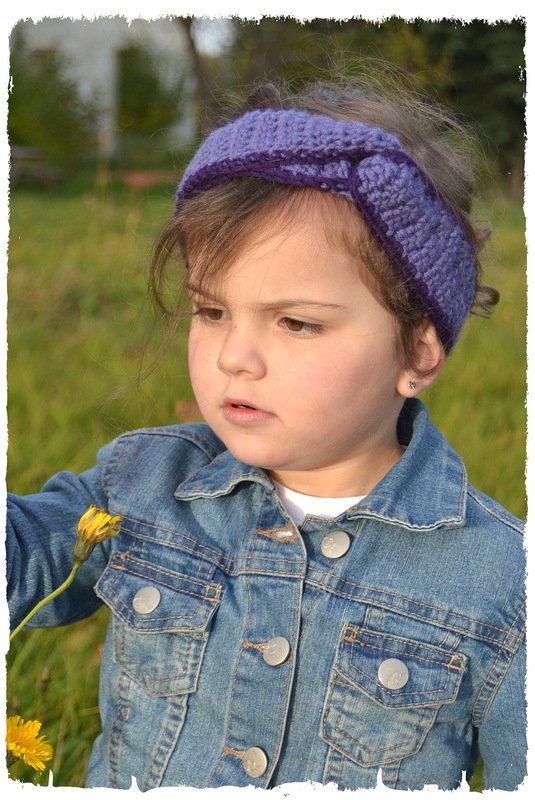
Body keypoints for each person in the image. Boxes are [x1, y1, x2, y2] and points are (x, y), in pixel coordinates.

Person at [7, 77, 526, 792]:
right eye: (212, 312)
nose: (234, 357)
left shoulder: (502, 581)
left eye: (296, 322)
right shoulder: (141, 485)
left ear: (416, 353)